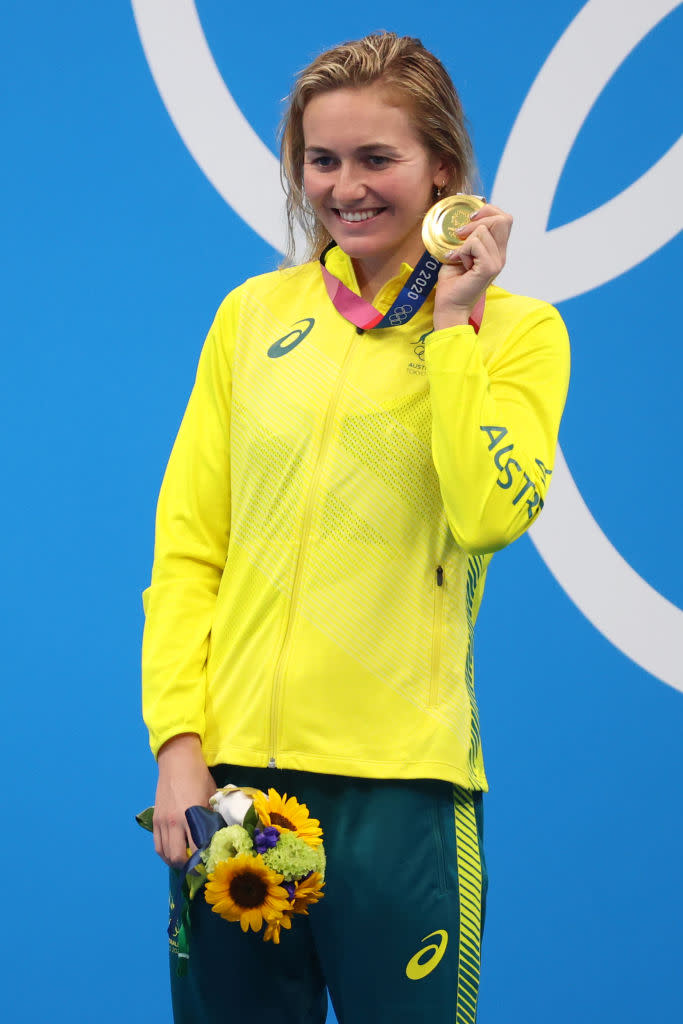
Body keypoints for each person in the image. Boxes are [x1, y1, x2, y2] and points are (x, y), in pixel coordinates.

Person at [142, 31, 570, 1024]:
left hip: (402, 792)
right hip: (239, 794)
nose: (345, 186)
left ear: (443, 173)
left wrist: (454, 328)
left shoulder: (517, 333)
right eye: (322, 159)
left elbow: (485, 511)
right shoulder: (252, 317)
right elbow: (188, 548)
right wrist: (179, 743)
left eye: (376, 158)